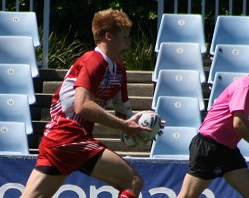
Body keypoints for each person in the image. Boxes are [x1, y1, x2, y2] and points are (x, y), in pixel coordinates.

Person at [21, 9, 153, 198]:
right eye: (124, 37)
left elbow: (124, 112)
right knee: (132, 181)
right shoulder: (93, 60)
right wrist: (124, 126)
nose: (128, 43)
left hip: (60, 140)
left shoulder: (118, 69)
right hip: (69, 136)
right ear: (108, 37)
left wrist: (144, 124)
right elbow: (82, 106)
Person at [177, 56, 249, 198]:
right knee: (187, 196)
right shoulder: (245, 88)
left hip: (229, 150)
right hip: (208, 146)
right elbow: (239, 124)